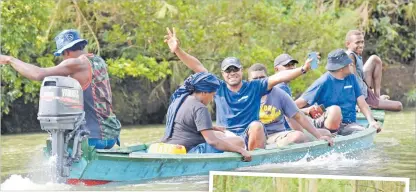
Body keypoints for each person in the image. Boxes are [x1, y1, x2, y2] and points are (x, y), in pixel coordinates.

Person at [164, 27, 312, 150]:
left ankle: (253, 161)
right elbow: (197, 67)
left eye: (235, 69)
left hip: (250, 134)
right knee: (215, 136)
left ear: (241, 71)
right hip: (226, 135)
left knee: (257, 126)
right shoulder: (218, 87)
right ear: (223, 74)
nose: (232, 73)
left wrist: (302, 70)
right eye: (228, 70)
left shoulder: (255, 86)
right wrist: (178, 51)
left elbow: (279, 77)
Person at [0, 29, 121, 149]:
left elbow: (38, 74)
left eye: (62, 55)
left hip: (95, 139)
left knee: (55, 146)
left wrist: (10, 60)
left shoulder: (75, 63)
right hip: (111, 135)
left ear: (66, 52)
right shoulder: (98, 61)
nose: (63, 59)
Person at [161, 72, 251, 161]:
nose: (212, 99)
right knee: (239, 141)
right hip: (189, 151)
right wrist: (240, 150)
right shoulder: (200, 108)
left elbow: (183, 124)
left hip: (170, 145)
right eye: (212, 95)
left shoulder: (178, 101)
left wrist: (212, 127)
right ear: (204, 92)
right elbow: (213, 142)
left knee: (219, 134)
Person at [295, 49, 382, 136]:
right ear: (340, 68)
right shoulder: (323, 82)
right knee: (335, 110)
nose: (351, 64)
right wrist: (306, 111)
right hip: (326, 124)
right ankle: (330, 136)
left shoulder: (352, 78)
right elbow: (294, 105)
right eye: (348, 63)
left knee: (363, 131)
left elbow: (362, 103)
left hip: (348, 124)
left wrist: (371, 121)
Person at [247, 63, 333, 147]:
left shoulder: (279, 93)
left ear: (268, 78)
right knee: (255, 128)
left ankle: (279, 150)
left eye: (262, 77)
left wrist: (319, 136)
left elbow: (298, 116)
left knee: (301, 136)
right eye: (255, 79)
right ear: (249, 80)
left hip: (277, 135)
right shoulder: (243, 96)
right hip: (253, 136)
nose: (259, 81)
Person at [345, 29, 402, 111]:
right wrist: (359, 104)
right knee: (398, 106)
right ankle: (370, 103)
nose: (361, 45)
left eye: (362, 42)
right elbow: (352, 81)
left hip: (364, 89)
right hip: (361, 96)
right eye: (357, 42)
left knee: (375, 59)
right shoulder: (350, 56)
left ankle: (377, 97)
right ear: (348, 44)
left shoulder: (356, 54)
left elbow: (360, 78)